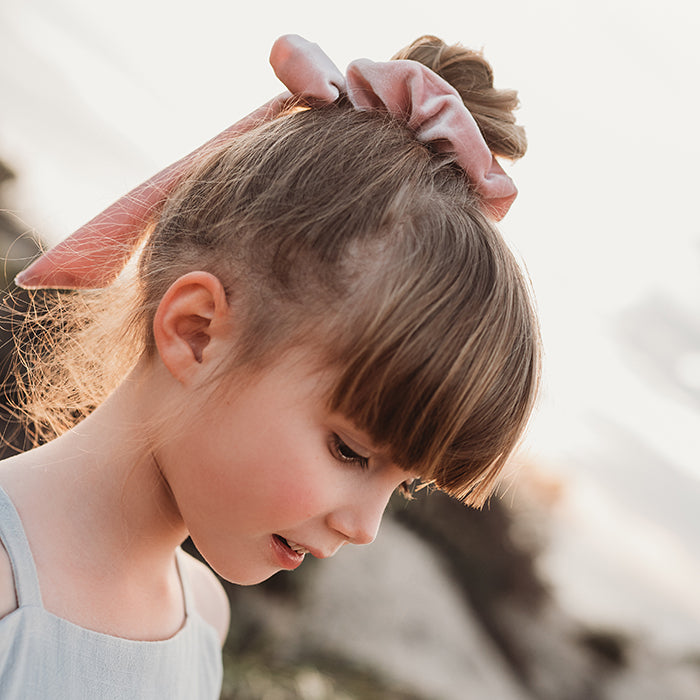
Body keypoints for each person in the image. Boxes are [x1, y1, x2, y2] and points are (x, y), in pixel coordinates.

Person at [0, 33, 540, 698]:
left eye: (402, 486)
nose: (365, 529)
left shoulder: (203, 618)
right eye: (349, 450)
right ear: (197, 333)